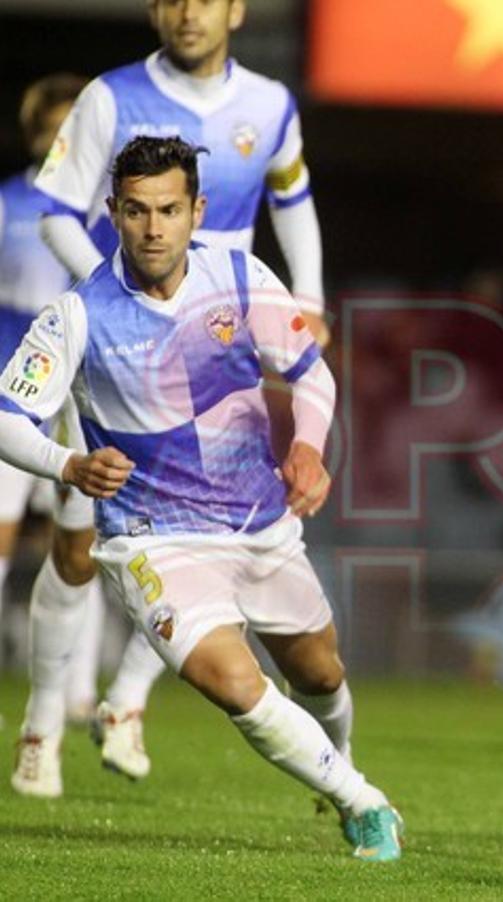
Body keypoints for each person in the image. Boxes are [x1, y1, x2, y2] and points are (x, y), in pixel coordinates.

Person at [0, 136, 401, 861]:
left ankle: (340, 769)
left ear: (196, 212)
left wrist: (307, 444)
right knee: (232, 680)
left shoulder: (243, 279)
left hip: (259, 522)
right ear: (113, 214)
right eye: (136, 211)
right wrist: (69, 465)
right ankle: (361, 801)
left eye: (169, 210)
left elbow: (310, 372)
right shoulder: (78, 314)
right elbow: (7, 415)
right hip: (154, 539)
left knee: (320, 673)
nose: (153, 228)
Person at [22, 0, 328, 788]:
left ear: (237, 10)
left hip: (222, 329)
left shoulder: (269, 103)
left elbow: (292, 200)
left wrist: (313, 299)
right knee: (79, 545)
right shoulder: (109, 98)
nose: (189, 13)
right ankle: (44, 723)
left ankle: (123, 700)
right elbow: (57, 211)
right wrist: (113, 288)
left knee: (208, 524)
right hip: (119, 345)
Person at [0, 75, 88, 692]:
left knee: (80, 543)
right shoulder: (7, 204)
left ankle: (76, 691)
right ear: (34, 135)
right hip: (10, 392)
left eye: (72, 130)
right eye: (51, 129)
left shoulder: (107, 211)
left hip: (80, 399)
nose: (61, 141)